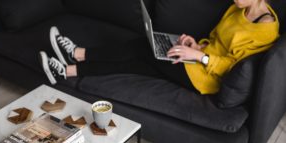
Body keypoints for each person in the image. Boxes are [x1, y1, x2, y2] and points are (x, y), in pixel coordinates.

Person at [40, 0, 279, 94]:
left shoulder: (266, 29)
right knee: (138, 62)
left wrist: (199, 57)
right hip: (197, 59)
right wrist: (196, 45)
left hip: (206, 77)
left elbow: (233, 68)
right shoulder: (239, 8)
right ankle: (67, 70)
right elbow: (216, 39)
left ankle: (76, 55)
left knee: (144, 47)